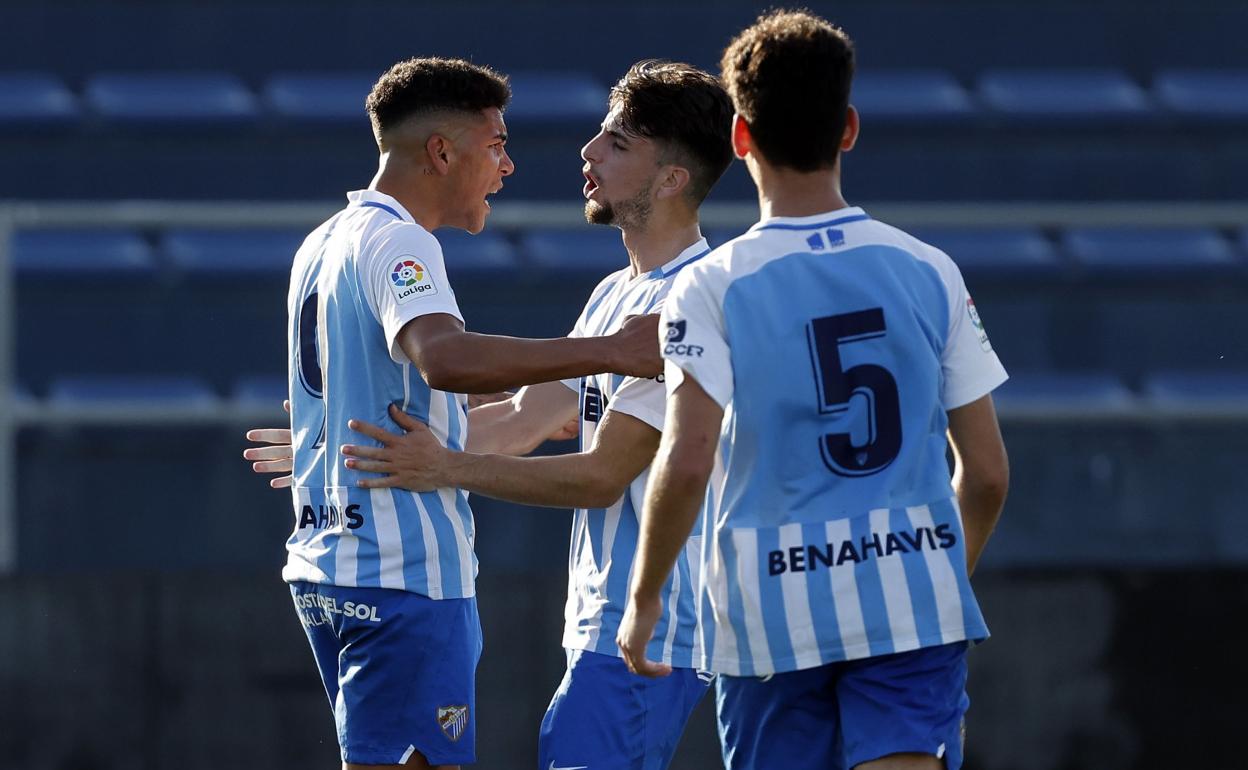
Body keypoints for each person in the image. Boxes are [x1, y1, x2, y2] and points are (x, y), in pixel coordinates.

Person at [251, 60, 734, 770]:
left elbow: (604, 477)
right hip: (601, 625)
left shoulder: (687, 300)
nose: (587, 152)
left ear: (671, 180)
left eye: (617, 143)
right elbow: (518, 422)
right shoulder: (614, 298)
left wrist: (446, 466)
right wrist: (349, 449)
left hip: (656, 627)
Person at [615, 11, 1011, 770]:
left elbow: (688, 460)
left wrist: (644, 600)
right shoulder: (929, 269)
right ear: (850, 128)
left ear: (739, 138)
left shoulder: (712, 285)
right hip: (909, 603)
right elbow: (988, 472)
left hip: (771, 610)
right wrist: (932, 580)